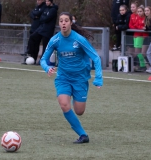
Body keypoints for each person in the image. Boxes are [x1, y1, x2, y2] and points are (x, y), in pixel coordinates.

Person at [40, 12, 103, 143]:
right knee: (64, 104)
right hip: (63, 77)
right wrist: (47, 68)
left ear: (71, 23)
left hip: (80, 78)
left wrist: (98, 78)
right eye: (61, 21)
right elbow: (43, 59)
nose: (63, 23)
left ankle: (77, 97)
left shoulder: (79, 39)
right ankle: (83, 135)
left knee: (79, 111)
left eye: (66, 21)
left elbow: (96, 57)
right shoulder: (55, 40)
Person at [24, 0, 58, 65]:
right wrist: (42, 18)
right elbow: (41, 18)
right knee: (33, 37)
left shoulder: (53, 10)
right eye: (46, 1)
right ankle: (30, 53)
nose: (46, 3)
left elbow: (46, 18)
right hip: (41, 28)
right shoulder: (46, 8)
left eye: (48, 1)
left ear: (51, 2)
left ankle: (42, 61)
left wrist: (42, 18)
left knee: (45, 46)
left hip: (48, 30)